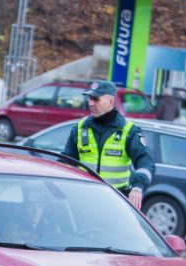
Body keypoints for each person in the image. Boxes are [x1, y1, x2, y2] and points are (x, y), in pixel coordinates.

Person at [61, 80, 154, 210]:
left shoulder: (128, 130)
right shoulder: (80, 128)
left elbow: (146, 162)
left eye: (95, 99)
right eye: (89, 99)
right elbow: (66, 162)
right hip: (83, 200)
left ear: (110, 102)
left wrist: (138, 187)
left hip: (115, 202)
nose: (90, 103)